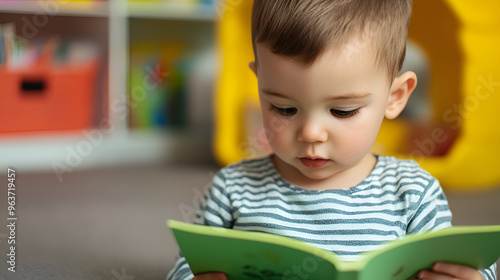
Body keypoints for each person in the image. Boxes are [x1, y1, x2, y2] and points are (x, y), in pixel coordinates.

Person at [168, 0, 497, 279]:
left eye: (342, 111)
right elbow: (187, 267)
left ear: (395, 97)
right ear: (259, 84)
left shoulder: (413, 191)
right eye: (283, 107)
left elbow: (464, 264)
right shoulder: (233, 188)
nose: (311, 133)